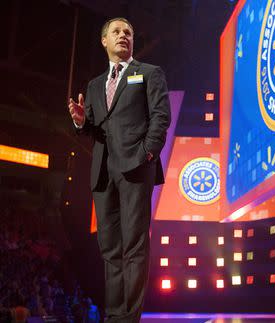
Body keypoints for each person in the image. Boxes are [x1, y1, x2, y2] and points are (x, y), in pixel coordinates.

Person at [67, 17, 171, 322]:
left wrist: (146, 154)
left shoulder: (150, 73)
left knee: (134, 247)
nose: (123, 35)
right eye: (117, 31)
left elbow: (160, 119)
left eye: (128, 32)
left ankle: (129, 317)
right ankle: (113, 316)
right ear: (104, 40)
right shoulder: (95, 85)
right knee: (110, 248)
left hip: (137, 168)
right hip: (103, 172)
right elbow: (93, 129)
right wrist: (79, 121)